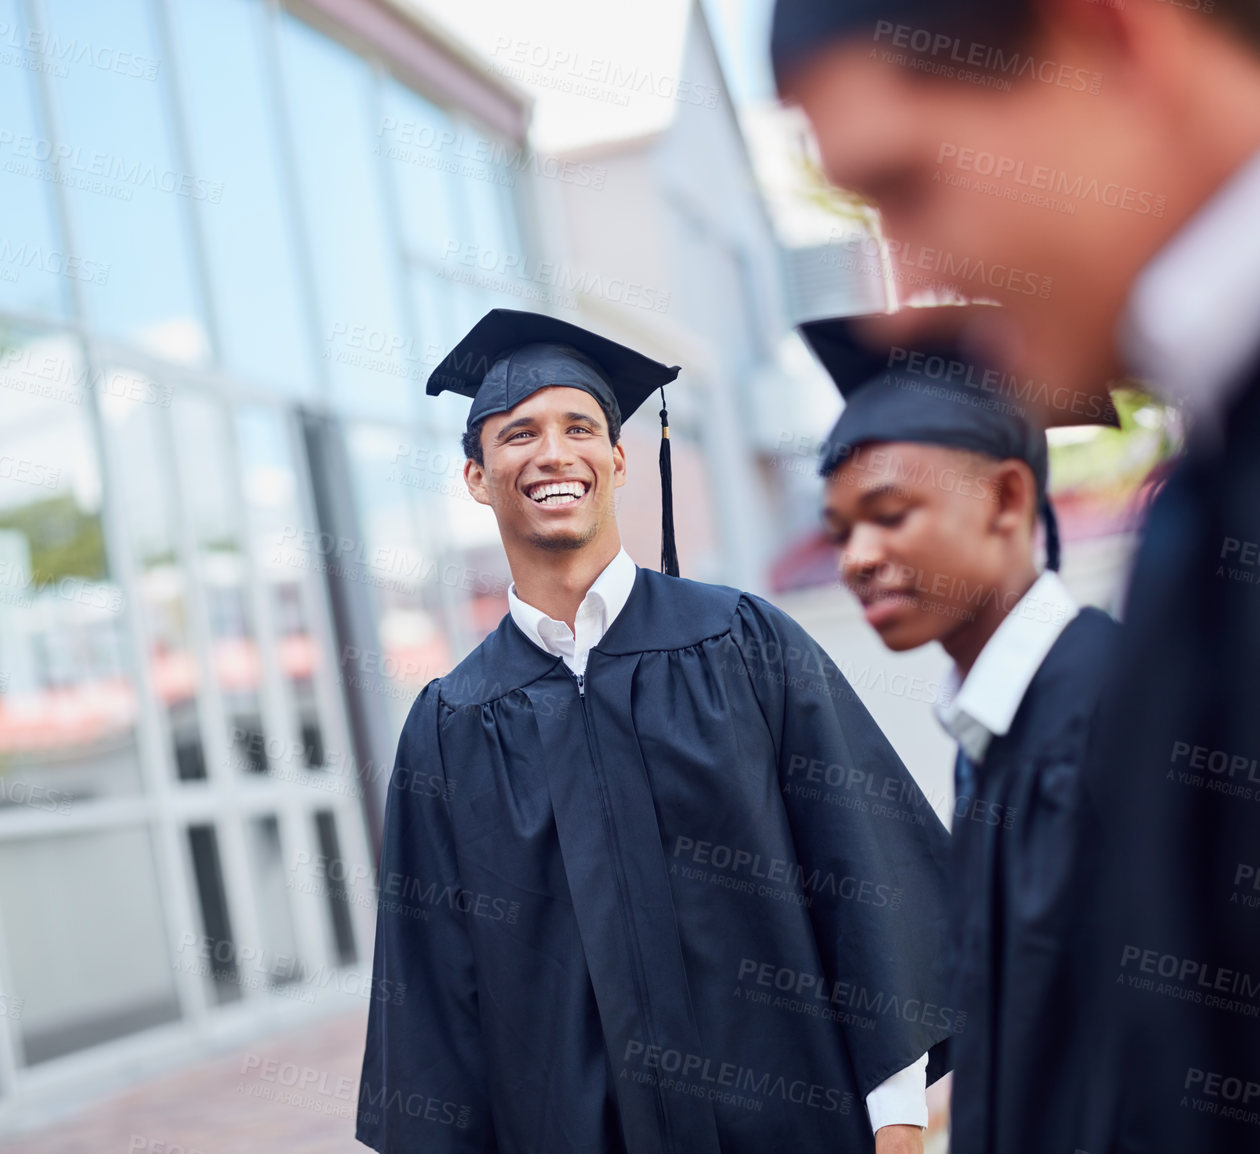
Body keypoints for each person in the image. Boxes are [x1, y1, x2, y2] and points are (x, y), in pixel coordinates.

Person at [771, 4, 1260, 1150]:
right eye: (840, 528)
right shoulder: (1195, 510)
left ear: (1115, 43)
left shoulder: (1099, 707)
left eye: (909, 185)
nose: (906, 293)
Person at [356, 308, 954, 1154]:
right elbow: (432, 988)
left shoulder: (744, 644)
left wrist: (895, 1118)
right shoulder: (451, 726)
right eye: (518, 433)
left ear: (619, 460)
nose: (553, 453)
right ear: (477, 478)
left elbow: (859, 868)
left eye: (579, 427)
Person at [809, 315, 1120, 1154]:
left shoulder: (1111, 716)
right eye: (840, 531)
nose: (857, 557)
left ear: (1009, 500)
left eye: (889, 512)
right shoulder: (992, 734)